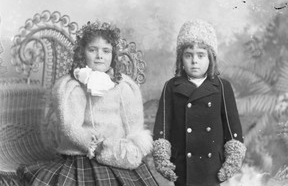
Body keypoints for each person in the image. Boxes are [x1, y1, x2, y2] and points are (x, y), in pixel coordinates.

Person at [17, 20, 159, 186]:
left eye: (106, 51)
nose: (100, 56)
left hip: (116, 155)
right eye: (93, 50)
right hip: (83, 155)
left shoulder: (124, 86)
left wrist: (129, 150)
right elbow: (71, 128)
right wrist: (96, 147)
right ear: (82, 53)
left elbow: (133, 125)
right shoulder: (72, 86)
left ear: (113, 55)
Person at [152, 20, 246, 186]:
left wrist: (232, 162)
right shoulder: (171, 86)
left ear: (211, 58)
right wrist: (162, 159)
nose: (194, 61)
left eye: (201, 55)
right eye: (188, 55)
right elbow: (163, 127)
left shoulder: (222, 87)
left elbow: (233, 129)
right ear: (181, 59)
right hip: (182, 165)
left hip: (212, 167)